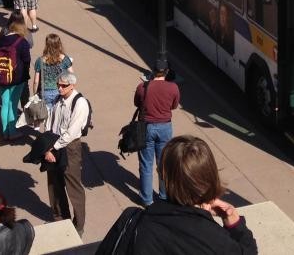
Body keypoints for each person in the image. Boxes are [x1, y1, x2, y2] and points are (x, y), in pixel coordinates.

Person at [95, 135, 257, 254]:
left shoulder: (132, 221)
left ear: (163, 177)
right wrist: (236, 226)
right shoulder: (214, 239)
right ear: (210, 177)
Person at [43, 71, 90, 237]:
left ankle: (79, 225)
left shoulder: (80, 103)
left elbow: (71, 132)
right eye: (58, 85)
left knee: (73, 186)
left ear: (72, 85)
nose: (60, 88)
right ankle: (61, 218)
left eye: (63, 86)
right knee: (54, 184)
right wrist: (47, 145)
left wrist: (52, 148)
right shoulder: (57, 99)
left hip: (70, 148)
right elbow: (50, 122)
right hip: (54, 144)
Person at [134, 62, 180, 206]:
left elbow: (136, 103)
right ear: (166, 72)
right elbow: (174, 105)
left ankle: (147, 200)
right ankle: (164, 195)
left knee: (146, 164)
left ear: (153, 71)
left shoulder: (142, 87)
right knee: (164, 163)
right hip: (165, 127)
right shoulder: (173, 87)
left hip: (146, 128)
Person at [0, 18, 32, 143]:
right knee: (13, 105)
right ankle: (12, 132)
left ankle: (5, 131)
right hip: (17, 78)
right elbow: (27, 60)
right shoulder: (22, 42)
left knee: (5, 103)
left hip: (1, 76)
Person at [33, 34, 73, 111]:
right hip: (60, 90)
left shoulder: (40, 61)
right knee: (58, 114)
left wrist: (35, 95)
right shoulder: (64, 59)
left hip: (45, 92)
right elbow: (71, 75)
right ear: (59, 44)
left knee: (46, 115)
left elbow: (36, 81)